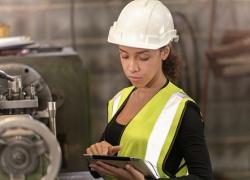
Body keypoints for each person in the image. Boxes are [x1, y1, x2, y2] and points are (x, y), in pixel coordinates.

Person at [85, 0, 213, 179]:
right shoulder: (119, 99)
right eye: (124, 55)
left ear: (164, 52)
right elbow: (105, 159)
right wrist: (97, 156)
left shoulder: (182, 110)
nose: (132, 67)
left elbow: (203, 177)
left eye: (143, 58)